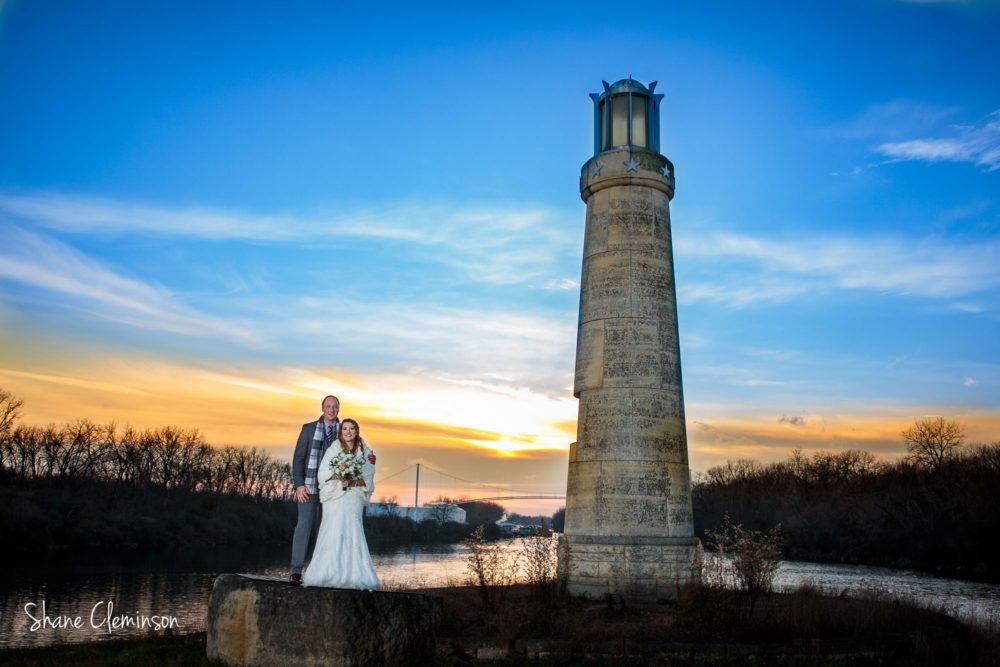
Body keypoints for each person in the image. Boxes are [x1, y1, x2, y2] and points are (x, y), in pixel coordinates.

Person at [289, 396, 375, 584]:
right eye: (328, 406)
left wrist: (370, 458)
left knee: (329, 529)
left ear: (339, 408)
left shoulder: (344, 429)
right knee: (304, 526)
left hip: (337, 491)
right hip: (310, 487)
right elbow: (298, 458)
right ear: (322, 408)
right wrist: (299, 484)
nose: (331, 410)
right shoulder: (309, 429)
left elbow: (365, 453)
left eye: (335, 407)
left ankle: (321, 570)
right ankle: (296, 570)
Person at [301, 418, 380, 590]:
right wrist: (341, 475)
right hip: (335, 497)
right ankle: (325, 573)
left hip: (354, 498)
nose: (348, 431)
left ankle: (356, 575)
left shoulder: (365, 450)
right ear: (341, 431)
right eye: (345, 428)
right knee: (333, 529)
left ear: (357, 431)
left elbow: (368, 473)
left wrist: (352, 480)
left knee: (353, 530)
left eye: (352, 428)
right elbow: (324, 473)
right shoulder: (334, 448)